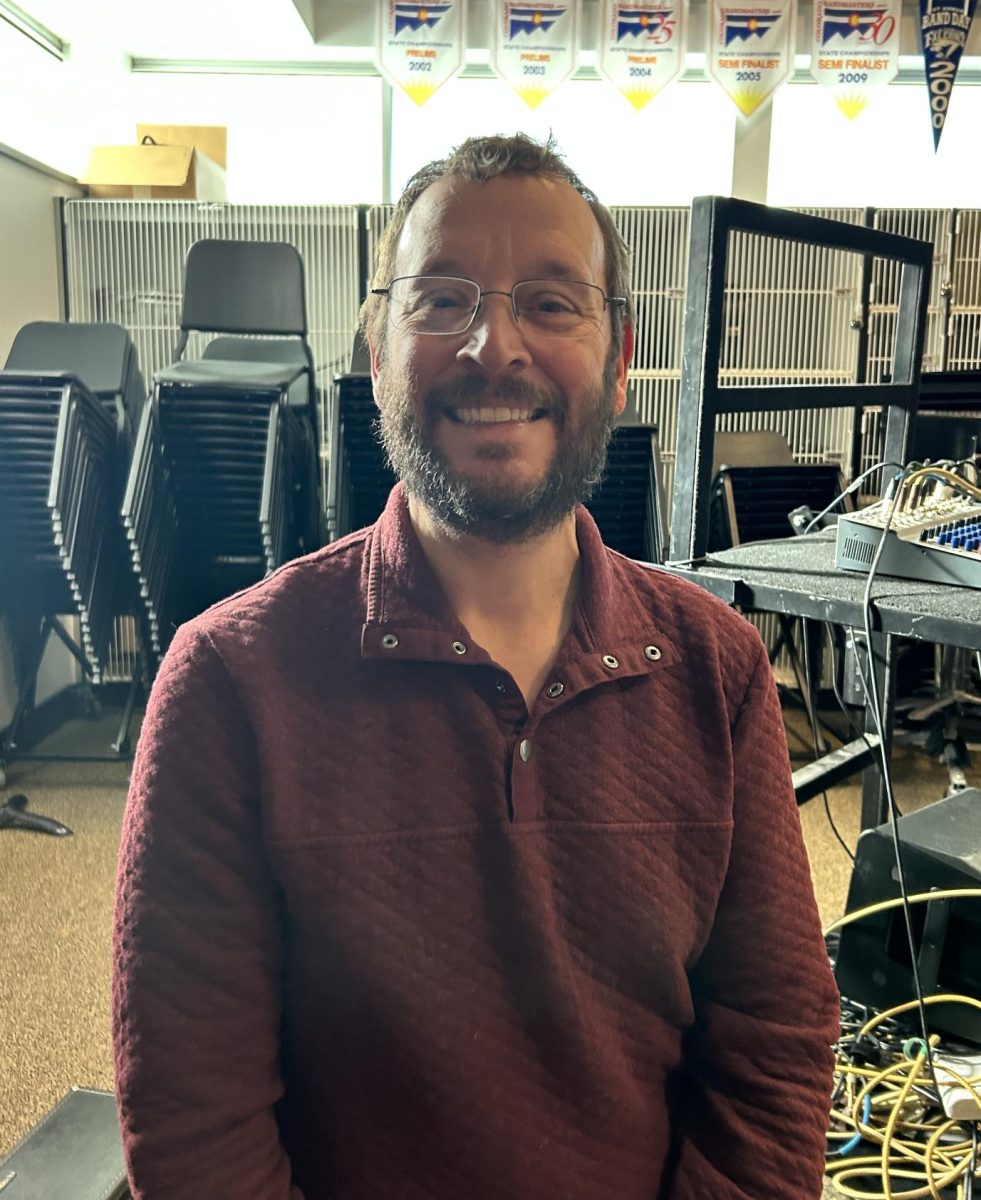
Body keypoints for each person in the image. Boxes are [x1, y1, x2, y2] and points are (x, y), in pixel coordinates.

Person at [112, 132, 840, 1200]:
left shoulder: (717, 670)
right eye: (442, 299)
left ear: (622, 360)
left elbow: (776, 1049)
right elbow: (195, 1121)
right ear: (375, 349)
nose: (493, 347)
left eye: (550, 303)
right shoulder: (228, 681)